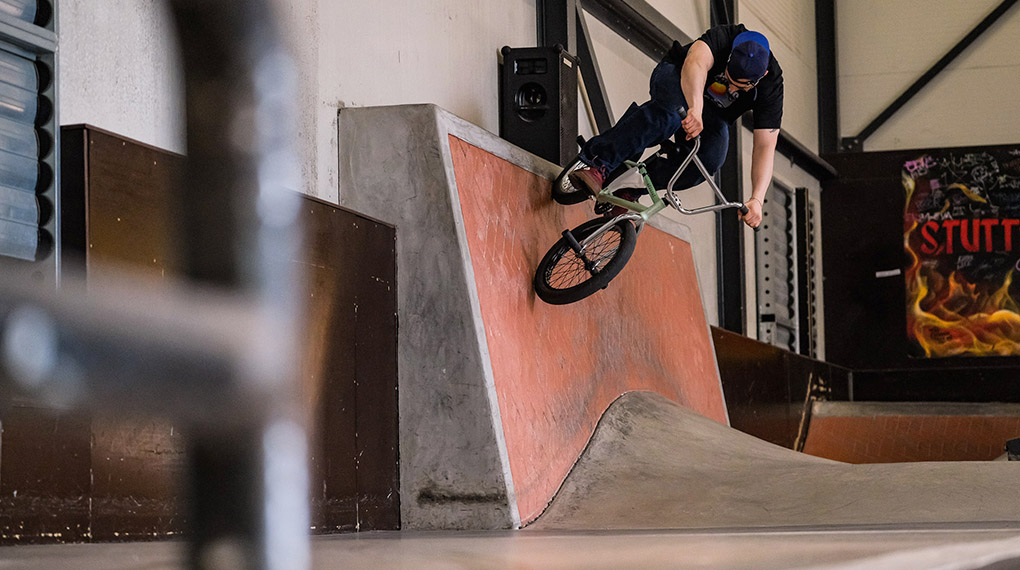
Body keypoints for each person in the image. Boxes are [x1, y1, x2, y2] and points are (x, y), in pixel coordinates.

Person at [568, 24, 783, 228]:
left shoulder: (771, 86)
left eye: (741, 85)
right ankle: (600, 162)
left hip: (713, 115)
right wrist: (695, 109)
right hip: (678, 76)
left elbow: (765, 145)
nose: (732, 86)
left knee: (711, 159)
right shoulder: (726, 36)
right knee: (668, 116)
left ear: (761, 77)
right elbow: (695, 64)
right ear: (731, 55)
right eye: (729, 77)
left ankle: (634, 185)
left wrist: (757, 198)